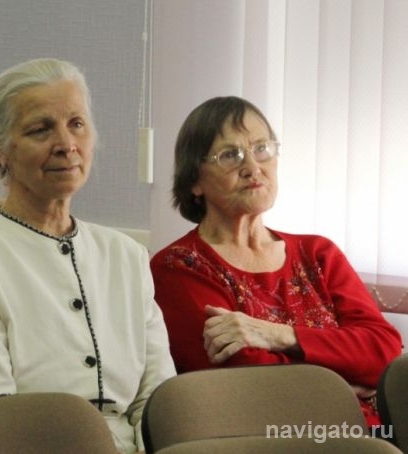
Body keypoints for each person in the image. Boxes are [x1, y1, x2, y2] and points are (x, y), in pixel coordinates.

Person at [0, 58, 176, 453]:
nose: (66, 144)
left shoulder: (127, 257)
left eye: (76, 124)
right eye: (41, 129)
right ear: (2, 151)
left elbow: (160, 405)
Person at [150, 95, 402, 427]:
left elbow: (384, 351)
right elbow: (245, 380)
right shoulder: (179, 267)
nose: (253, 167)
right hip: (274, 437)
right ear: (194, 180)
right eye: (230, 155)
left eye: (261, 149)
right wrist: (346, 380)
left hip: (378, 432)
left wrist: (275, 335)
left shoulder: (318, 253)